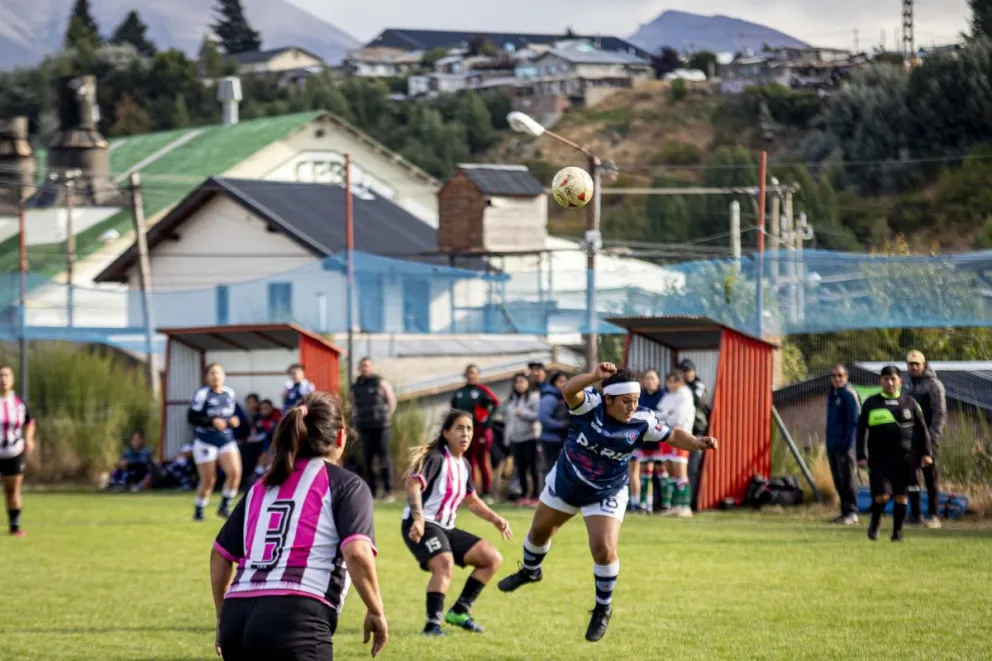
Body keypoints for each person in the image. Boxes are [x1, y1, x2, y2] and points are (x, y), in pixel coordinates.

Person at [497, 363, 718, 642]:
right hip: (567, 481)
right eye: (626, 402)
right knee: (539, 533)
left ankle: (602, 609)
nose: (632, 407)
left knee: (603, 548)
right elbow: (568, 390)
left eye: (635, 401)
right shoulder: (590, 406)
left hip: (607, 491)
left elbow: (672, 434)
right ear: (608, 399)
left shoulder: (642, 419)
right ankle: (530, 572)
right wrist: (593, 377)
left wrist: (696, 441)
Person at [211, 391, 388, 660]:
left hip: (237, 617)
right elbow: (357, 552)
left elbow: (220, 555)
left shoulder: (262, 486)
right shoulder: (346, 484)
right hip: (297, 618)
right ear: (340, 437)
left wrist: (223, 618)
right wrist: (376, 610)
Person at [402, 410, 512, 636]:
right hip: (423, 524)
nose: (466, 433)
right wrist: (419, 519)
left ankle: (460, 611)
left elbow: (471, 500)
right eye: (459, 428)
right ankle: (432, 625)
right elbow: (412, 485)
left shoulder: (464, 465)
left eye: (469, 429)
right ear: (446, 433)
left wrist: (496, 519)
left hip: (446, 527)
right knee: (444, 563)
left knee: (491, 559)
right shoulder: (436, 458)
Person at [856, 365, 933, 543]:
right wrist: (860, 455)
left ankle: (897, 533)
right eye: (886, 379)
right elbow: (860, 431)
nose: (890, 382)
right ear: (880, 381)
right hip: (878, 460)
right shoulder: (871, 403)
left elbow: (922, 430)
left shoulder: (910, 403)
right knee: (882, 496)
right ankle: (875, 522)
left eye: (893, 379)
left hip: (905, 459)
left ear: (900, 381)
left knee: (901, 497)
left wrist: (926, 453)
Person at [188, 363, 242, 521]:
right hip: (206, 440)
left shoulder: (229, 393)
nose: (216, 376)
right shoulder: (201, 394)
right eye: (212, 373)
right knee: (208, 480)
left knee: (235, 473)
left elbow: (235, 415)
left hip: (225, 439)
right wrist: (211, 421)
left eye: (218, 373)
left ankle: (224, 506)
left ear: (224, 376)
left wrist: (235, 420)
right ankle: (199, 510)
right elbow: (192, 418)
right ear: (206, 377)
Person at [903, 350, 947, 528]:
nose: (913, 367)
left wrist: (933, 438)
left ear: (924, 365)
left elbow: (940, 413)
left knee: (930, 476)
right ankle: (915, 515)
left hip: (928, 439)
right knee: (911, 477)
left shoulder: (934, 385)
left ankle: (934, 515)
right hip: (910, 439)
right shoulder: (907, 386)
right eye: (910, 364)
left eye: (917, 364)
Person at [351, 357, 398, 501]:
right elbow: (353, 405)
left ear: (372, 367)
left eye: (367, 366)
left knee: (384, 459)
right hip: (364, 427)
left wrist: (386, 417)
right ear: (359, 368)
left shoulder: (380, 382)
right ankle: (372, 492)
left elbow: (392, 402)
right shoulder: (356, 386)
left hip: (381, 426)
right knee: (368, 461)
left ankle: (389, 491)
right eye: (362, 366)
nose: (365, 368)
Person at [450, 365, 500, 502]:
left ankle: (487, 492)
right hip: (464, 431)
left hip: (480, 430)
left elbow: (496, 403)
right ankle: (469, 491)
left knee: (482, 459)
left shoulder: (482, 390)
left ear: (478, 375)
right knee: (467, 460)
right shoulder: (460, 392)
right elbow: (453, 409)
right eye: (469, 373)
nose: (471, 376)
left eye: (474, 373)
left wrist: (488, 421)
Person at [0, 365, 34, 537]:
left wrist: (29, 439)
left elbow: (30, 422)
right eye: (0, 375)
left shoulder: (19, 404)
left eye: (6, 375)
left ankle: (14, 527)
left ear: (12, 379)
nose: (3, 379)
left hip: (13, 452)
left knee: (12, 490)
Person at [826, 364, 861, 525]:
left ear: (846, 377)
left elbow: (853, 422)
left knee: (848, 479)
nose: (837, 379)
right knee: (838, 480)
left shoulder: (848, 394)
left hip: (845, 446)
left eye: (840, 375)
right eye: (834, 376)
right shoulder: (832, 394)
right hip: (832, 445)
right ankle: (844, 511)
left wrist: (848, 446)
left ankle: (852, 512)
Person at [658, 371, 696, 517]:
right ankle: (675, 505)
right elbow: (658, 414)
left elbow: (678, 418)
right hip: (666, 436)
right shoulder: (667, 396)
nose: (671, 384)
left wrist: (666, 416)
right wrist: (667, 414)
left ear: (681, 382)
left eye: (675, 381)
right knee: (670, 471)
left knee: (680, 471)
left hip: (680, 436)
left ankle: (685, 506)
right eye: (669, 381)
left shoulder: (685, 395)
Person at [504, 373, 542, 506]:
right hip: (515, 439)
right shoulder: (513, 399)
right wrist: (507, 438)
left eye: (522, 382)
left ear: (528, 383)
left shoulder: (534, 397)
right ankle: (524, 495)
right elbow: (508, 420)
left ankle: (536, 496)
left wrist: (522, 413)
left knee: (533, 468)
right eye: (517, 382)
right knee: (520, 468)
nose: (519, 385)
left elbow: (538, 415)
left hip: (530, 437)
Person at [678, 359, 711, 510]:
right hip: (683, 431)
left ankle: (692, 501)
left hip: (697, 431)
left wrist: (683, 389)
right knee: (679, 467)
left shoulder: (699, 386)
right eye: (683, 372)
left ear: (693, 371)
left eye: (688, 371)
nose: (686, 375)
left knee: (692, 467)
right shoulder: (680, 387)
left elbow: (699, 401)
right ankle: (680, 500)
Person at [630, 369, 664, 513]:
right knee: (645, 473)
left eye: (652, 378)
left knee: (662, 473)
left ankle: (665, 503)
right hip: (644, 440)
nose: (649, 381)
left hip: (659, 440)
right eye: (647, 379)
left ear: (658, 381)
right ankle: (646, 504)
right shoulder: (640, 397)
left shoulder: (664, 396)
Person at [537, 371, 570, 471]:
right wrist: (562, 425)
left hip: (560, 439)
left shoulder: (562, 397)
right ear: (554, 383)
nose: (563, 384)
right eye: (560, 381)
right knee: (551, 469)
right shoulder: (550, 398)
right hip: (550, 440)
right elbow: (543, 418)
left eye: (565, 381)